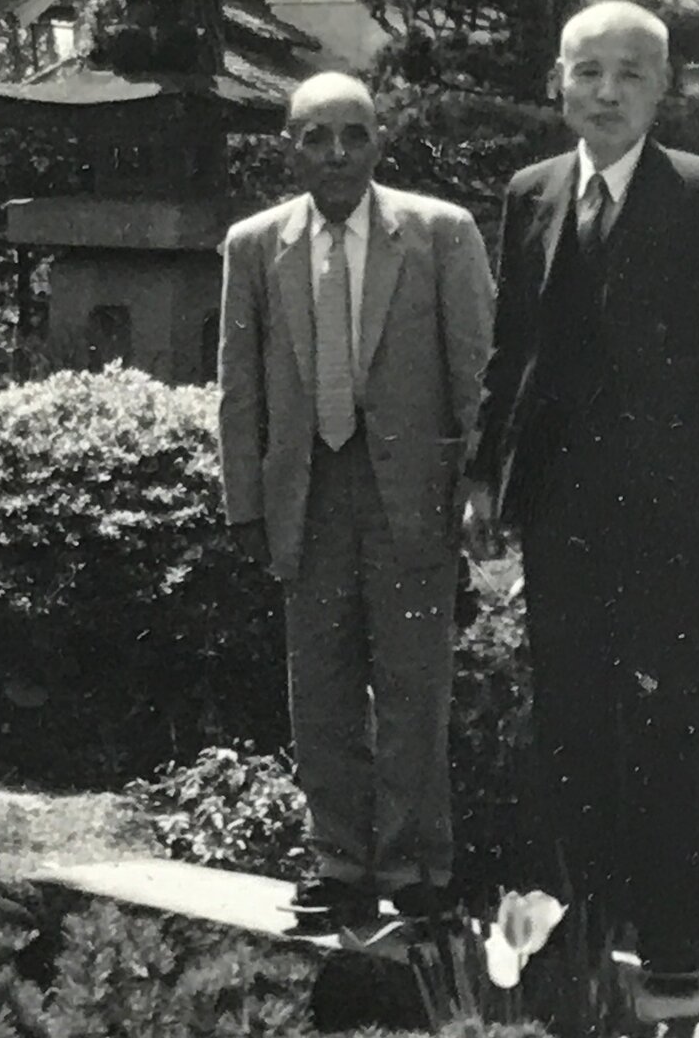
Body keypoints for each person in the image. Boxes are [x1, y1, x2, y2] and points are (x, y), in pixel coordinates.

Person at [462, 0, 699, 993]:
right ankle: (577, 929)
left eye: (629, 75)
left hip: (668, 508)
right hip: (561, 509)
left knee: (661, 720)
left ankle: (673, 936)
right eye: (588, 71)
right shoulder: (531, 192)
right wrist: (484, 476)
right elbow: (511, 351)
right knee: (564, 722)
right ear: (558, 79)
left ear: (661, 88)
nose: (605, 92)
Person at [218, 72, 494, 926]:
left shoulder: (440, 234)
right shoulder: (255, 245)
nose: (335, 152)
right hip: (309, 494)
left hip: (411, 494)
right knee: (322, 688)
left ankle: (415, 870)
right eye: (315, 136)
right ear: (289, 147)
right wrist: (244, 506)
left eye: (353, 134)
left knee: (415, 687)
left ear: (379, 141)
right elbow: (239, 389)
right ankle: (336, 860)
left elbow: (478, 373)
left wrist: (481, 484)